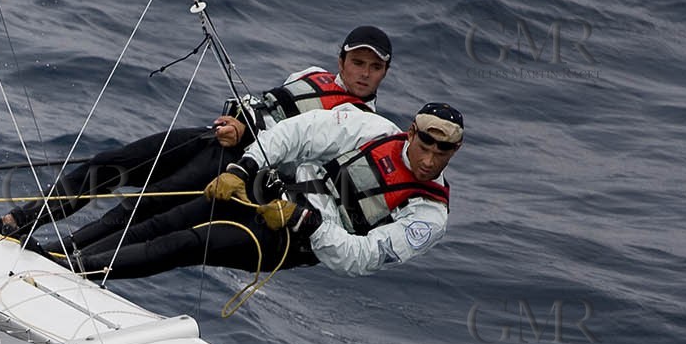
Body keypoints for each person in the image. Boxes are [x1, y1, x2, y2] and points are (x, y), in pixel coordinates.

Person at [0, 26, 394, 251]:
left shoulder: (362, 126)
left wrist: (246, 139)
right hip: (212, 140)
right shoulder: (307, 77)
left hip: (238, 171)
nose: (363, 73)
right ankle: (17, 221)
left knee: (143, 207)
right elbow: (257, 104)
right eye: (357, 62)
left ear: (383, 74)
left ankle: (60, 252)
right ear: (341, 60)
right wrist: (234, 119)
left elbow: (300, 165)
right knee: (110, 164)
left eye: (373, 68)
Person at [67, 101, 464, 279]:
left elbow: (360, 258)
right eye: (425, 144)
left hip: (290, 241)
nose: (430, 158)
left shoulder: (429, 215)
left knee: (185, 243)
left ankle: (76, 272)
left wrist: (306, 223)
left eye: (442, 151)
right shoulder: (373, 130)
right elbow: (298, 132)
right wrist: (244, 168)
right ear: (411, 132)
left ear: (455, 150)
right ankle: (59, 253)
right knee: (161, 219)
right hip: (264, 190)